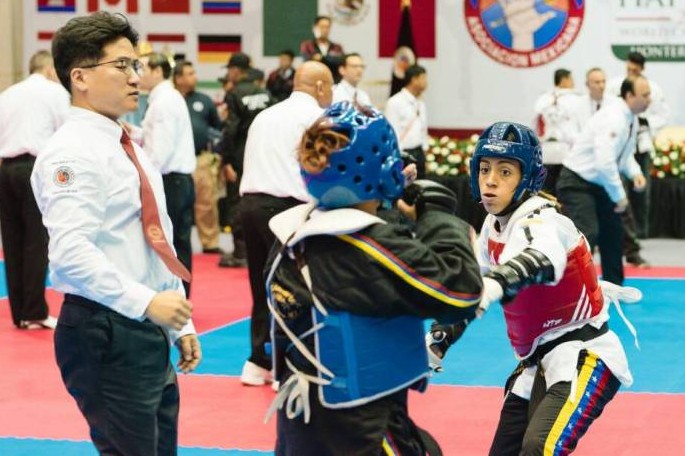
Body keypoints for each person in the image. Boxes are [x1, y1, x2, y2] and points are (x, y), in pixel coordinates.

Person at [266, 101, 484, 455]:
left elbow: (370, 280)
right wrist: (437, 217)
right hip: (360, 426)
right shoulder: (370, 247)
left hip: (302, 421)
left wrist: (387, 209)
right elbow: (460, 292)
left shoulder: (292, 234)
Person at [31, 12, 200, 455]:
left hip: (147, 324)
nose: (134, 77)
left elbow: (152, 242)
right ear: (80, 77)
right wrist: (148, 303)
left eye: (135, 65)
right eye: (121, 65)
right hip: (103, 328)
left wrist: (180, 322)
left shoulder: (129, 147)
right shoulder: (72, 152)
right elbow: (69, 253)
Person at [429, 121, 636, 455]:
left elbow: (543, 258)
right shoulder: (492, 229)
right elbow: (469, 291)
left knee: (540, 448)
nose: (491, 180)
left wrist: (498, 282)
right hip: (536, 364)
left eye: (505, 171)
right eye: (484, 169)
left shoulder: (543, 221)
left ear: (526, 178)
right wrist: (440, 338)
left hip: (585, 355)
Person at [236, 61, 332, 386]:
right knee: (292, 287)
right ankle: (284, 365)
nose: (331, 95)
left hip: (250, 204)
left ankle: (257, 361)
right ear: (319, 87)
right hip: (287, 208)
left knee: (259, 284)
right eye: (330, 87)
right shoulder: (315, 118)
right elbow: (321, 168)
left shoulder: (266, 115)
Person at [0, 50, 69, 327]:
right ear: (50, 69)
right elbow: (66, 132)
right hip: (35, 169)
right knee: (36, 241)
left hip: (5, 169)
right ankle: (35, 311)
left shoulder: (6, 94)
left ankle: (20, 313)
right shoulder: (55, 92)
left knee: (12, 241)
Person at [557, 77, 651, 286]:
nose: (649, 100)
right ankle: (570, 288)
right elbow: (604, 163)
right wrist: (620, 198)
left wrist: (635, 172)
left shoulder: (631, 119)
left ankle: (614, 287)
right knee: (587, 234)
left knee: (613, 234)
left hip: (599, 184)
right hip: (576, 183)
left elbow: (624, 156)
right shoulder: (614, 117)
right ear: (629, 96)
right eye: (644, 95)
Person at [133, 52, 197, 296]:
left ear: (158, 71)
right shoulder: (165, 98)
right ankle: (177, 294)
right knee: (175, 241)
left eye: (143, 69)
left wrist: (142, 178)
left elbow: (161, 151)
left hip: (171, 180)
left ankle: (177, 295)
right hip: (175, 179)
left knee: (170, 241)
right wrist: (137, 134)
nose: (138, 76)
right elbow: (160, 140)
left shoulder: (165, 101)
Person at [219, 53, 279, 268]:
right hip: (265, 156)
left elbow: (230, 129)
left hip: (241, 156)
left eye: (230, 70)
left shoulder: (234, 93)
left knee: (237, 202)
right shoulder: (265, 94)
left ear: (236, 70)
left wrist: (226, 161)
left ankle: (240, 253)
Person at [607, 51, 669, 245]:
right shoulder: (615, 85)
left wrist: (645, 121)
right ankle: (619, 231)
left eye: (635, 69)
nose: (631, 72)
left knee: (642, 190)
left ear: (642, 69)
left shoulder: (654, 89)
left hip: (641, 143)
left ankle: (641, 231)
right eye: (629, 68)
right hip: (620, 144)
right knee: (619, 189)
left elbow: (663, 114)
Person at [174, 60, 224, 254]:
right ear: (178, 78)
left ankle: (210, 242)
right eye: (190, 73)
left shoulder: (204, 100)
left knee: (206, 203)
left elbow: (217, 127)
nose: (195, 77)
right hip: (175, 161)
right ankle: (173, 242)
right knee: (177, 203)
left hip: (201, 158)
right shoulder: (169, 100)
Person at [532, 68, 578, 194]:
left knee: (547, 190)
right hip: (567, 150)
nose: (573, 83)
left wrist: (538, 140)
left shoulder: (543, 98)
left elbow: (534, 122)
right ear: (563, 80)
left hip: (546, 149)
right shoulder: (575, 99)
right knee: (567, 189)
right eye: (571, 79)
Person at [385, 65, 429, 179]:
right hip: (403, 154)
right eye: (423, 78)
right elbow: (391, 132)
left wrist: (424, 155)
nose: (426, 82)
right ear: (414, 79)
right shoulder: (394, 102)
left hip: (419, 152)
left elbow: (423, 130)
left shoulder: (420, 103)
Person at [299, 15, 345, 81]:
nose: (325, 30)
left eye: (327, 27)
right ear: (314, 28)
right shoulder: (307, 45)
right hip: (313, 81)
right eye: (322, 27)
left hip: (333, 81)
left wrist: (321, 58)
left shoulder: (337, 47)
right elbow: (308, 62)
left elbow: (340, 61)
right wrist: (329, 59)